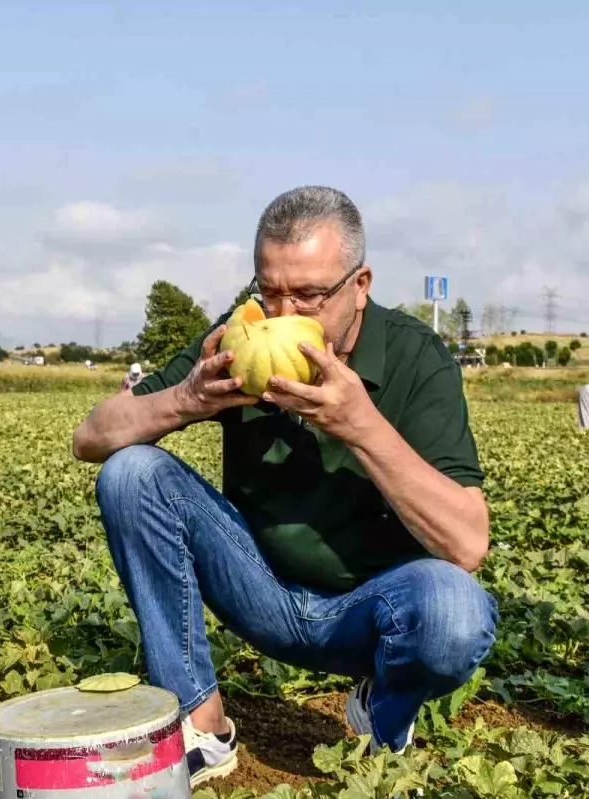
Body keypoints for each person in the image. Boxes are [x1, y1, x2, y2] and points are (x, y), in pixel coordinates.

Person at [72, 187, 497, 788]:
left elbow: (468, 542)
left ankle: (384, 711)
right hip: (258, 588)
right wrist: (187, 399)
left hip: (372, 614)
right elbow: (90, 438)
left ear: (360, 284)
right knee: (131, 471)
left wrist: (361, 426)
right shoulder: (241, 337)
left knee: (455, 609)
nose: (282, 312)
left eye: (308, 294)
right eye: (268, 291)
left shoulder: (417, 358)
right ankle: (200, 724)